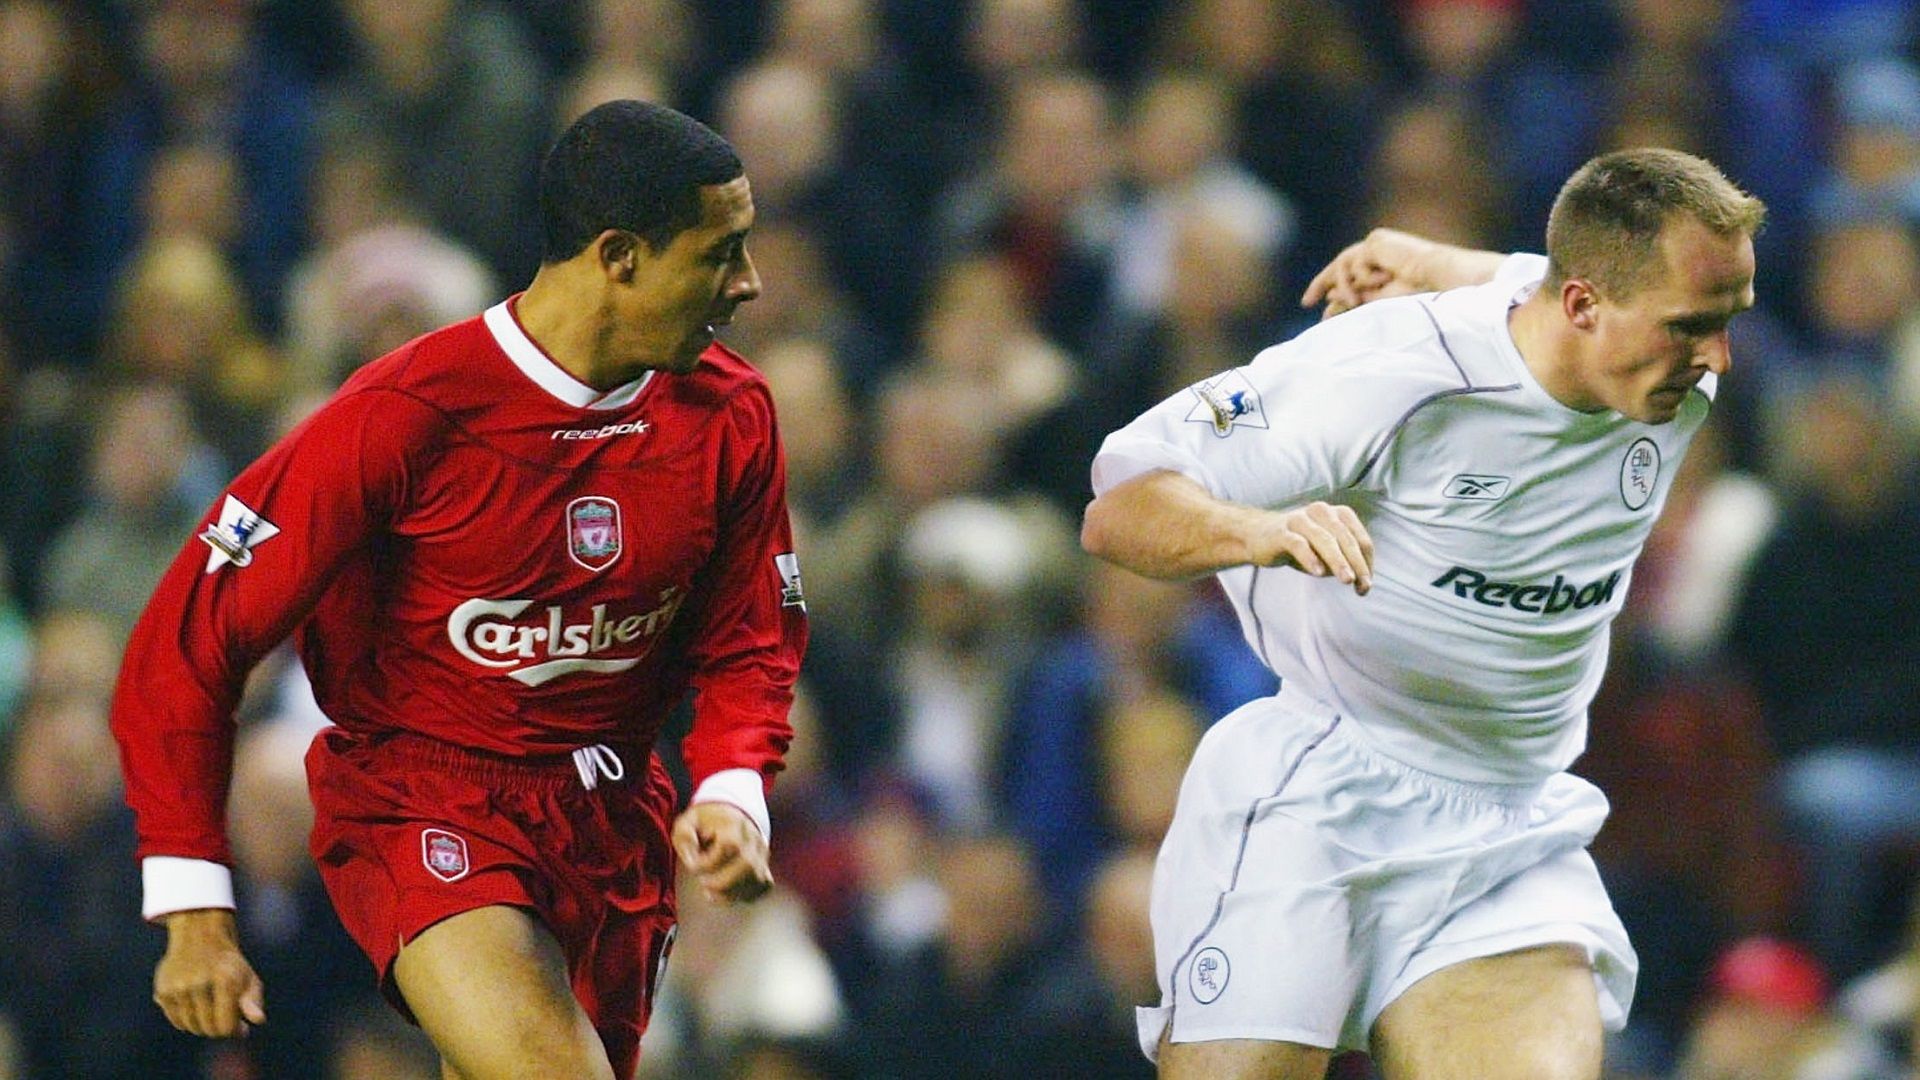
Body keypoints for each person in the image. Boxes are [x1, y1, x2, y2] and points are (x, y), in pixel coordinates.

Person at [108, 100, 808, 1080]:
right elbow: (186, 643)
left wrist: (735, 789)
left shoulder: (728, 415)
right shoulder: (404, 416)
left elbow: (751, 642)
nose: (749, 283)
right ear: (618, 256)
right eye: (720, 252)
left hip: (614, 823)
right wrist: (191, 900)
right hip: (430, 801)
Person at [1080, 147, 1764, 1078]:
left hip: (1506, 829)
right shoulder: (1388, 372)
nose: (1719, 358)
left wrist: (1435, 256)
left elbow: (1532, 275)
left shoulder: (1657, 365)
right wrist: (1261, 530)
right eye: (1694, 327)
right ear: (1584, 308)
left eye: (1730, 322)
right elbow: (1121, 509)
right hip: (1319, 794)